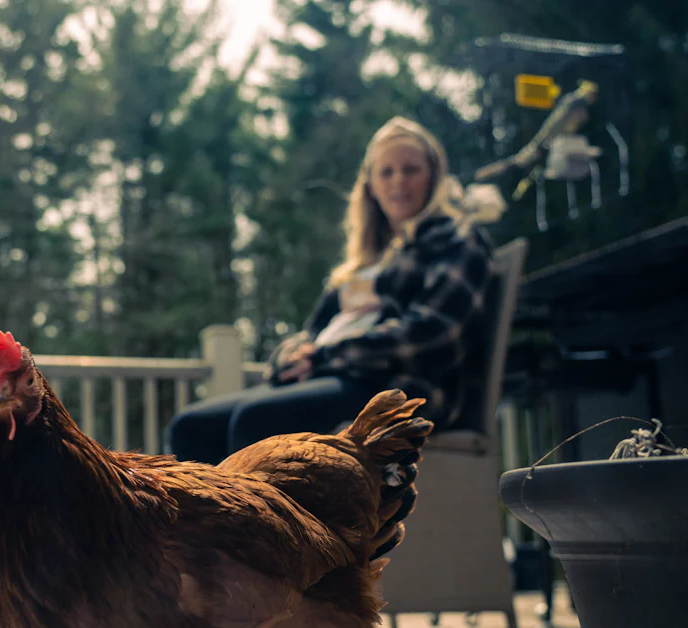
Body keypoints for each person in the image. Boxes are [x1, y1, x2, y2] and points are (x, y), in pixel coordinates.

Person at [166, 116, 506, 465]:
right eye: (386, 172)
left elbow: (431, 336)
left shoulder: (456, 240)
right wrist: (290, 357)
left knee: (259, 418)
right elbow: (314, 332)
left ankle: (273, 521)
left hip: (399, 387)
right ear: (370, 185)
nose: (398, 182)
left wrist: (323, 357)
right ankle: (217, 521)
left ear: (433, 178)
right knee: (192, 427)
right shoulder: (364, 263)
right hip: (335, 375)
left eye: (411, 170)